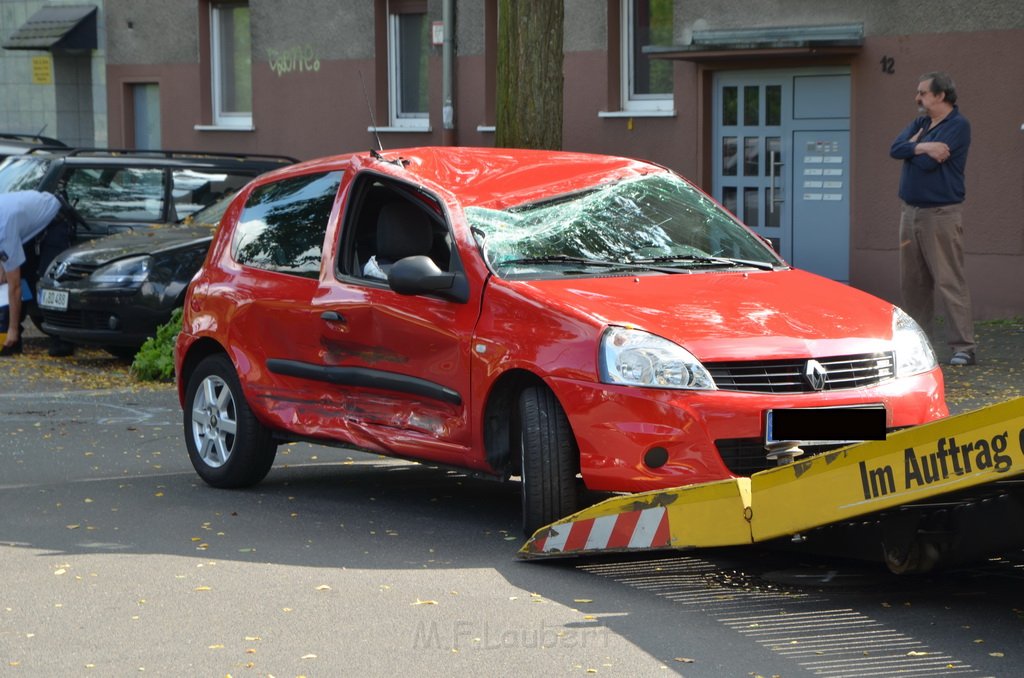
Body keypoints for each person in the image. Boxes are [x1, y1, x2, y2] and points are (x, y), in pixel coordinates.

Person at [889, 71, 975, 366]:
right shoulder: (921, 123)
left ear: (940, 96)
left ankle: (963, 347)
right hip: (909, 212)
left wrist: (914, 149)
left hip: (940, 214)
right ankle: (919, 348)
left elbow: (925, 165)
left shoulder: (958, 126)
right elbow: (895, 148)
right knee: (913, 284)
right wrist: (923, 145)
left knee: (950, 280)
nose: (918, 98)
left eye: (923, 93)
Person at [0, 190, 76, 357]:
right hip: (27, 228)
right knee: (23, 278)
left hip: (55, 220)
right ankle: (11, 338)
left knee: (51, 279)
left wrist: (6, 268)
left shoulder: (4, 228)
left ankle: (62, 338)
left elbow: (14, 287)